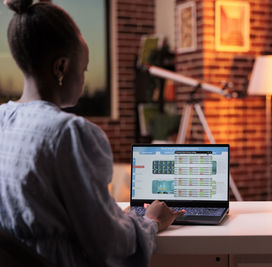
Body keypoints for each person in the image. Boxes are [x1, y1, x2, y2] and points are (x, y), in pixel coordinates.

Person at [0, 0, 184, 266]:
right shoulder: (70, 133)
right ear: (61, 67)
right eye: (84, 69)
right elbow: (109, 243)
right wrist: (151, 221)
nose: (85, 80)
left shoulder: (3, 119)